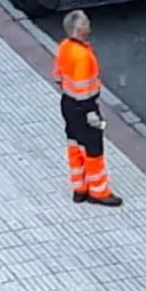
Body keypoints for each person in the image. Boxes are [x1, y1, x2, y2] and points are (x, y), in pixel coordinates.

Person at [54, 11, 123, 207]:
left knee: (75, 145)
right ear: (79, 30)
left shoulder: (64, 47)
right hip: (85, 107)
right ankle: (99, 192)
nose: (89, 24)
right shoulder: (82, 56)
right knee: (93, 149)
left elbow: (58, 76)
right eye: (86, 23)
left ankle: (80, 188)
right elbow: (85, 90)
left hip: (68, 104)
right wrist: (91, 112)